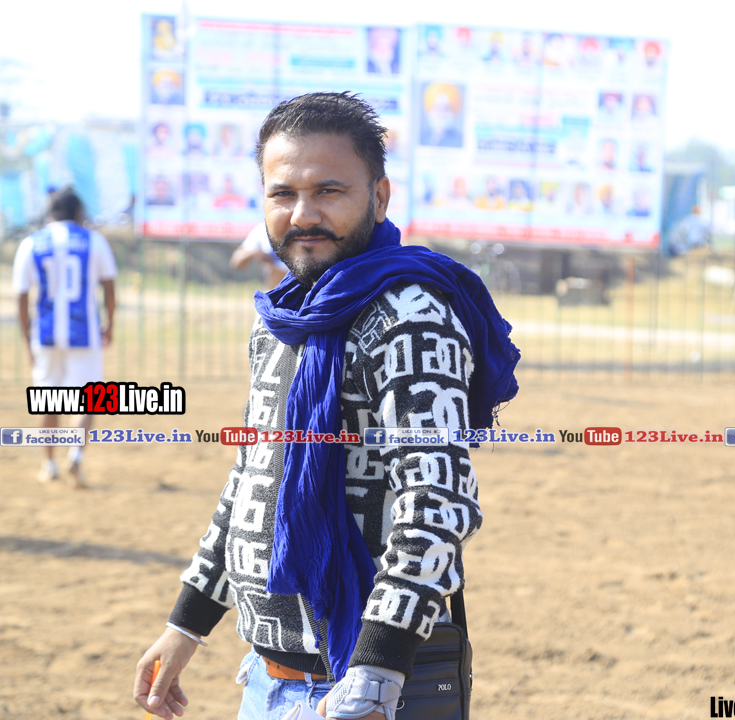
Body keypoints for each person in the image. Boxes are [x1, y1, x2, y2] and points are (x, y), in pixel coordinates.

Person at [133, 92, 519, 720]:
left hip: (361, 687)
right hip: (266, 678)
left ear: (380, 197)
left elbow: (438, 500)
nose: (303, 214)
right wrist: (187, 625)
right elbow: (253, 480)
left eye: (329, 191)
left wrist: (376, 671)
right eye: (283, 194)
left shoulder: (409, 316)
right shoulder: (282, 317)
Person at [13, 187, 117, 488]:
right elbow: (109, 288)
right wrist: (110, 323)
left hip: (45, 334)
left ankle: (49, 464)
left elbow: (21, 296)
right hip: (85, 333)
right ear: (78, 212)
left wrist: (26, 338)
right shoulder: (94, 240)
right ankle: (76, 456)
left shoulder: (32, 243)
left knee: (48, 400)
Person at [230, 223, 289, 288]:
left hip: (295, 289)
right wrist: (255, 252)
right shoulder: (262, 229)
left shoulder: (296, 226)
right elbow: (236, 262)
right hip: (274, 289)